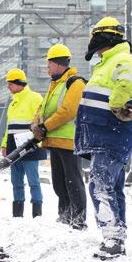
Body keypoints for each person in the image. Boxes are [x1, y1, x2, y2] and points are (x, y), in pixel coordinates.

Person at [76, 16, 132, 259]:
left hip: (111, 133)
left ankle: (112, 239)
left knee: (100, 185)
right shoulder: (107, 62)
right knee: (112, 187)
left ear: (105, 37)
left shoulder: (121, 59)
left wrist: (115, 105)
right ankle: (117, 237)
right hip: (105, 133)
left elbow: (126, 83)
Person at [32, 44, 88, 229]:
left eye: (49, 63)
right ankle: (65, 216)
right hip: (54, 140)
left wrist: (45, 126)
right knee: (59, 184)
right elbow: (44, 108)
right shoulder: (55, 85)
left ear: (57, 63)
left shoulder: (75, 83)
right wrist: (36, 123)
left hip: (69, 141)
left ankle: (78, 220)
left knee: (73, 182)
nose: (47, 67)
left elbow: (67, 111)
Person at [1, 68, 46, 218]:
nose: (8, 87)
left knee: (33, 180)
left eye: (10, 84)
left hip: (30, 146)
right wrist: (4, 144)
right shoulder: (13, 102)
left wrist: (38, 142)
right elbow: (10, 126)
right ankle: (18, 214)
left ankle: (37, 214)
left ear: (19, 84)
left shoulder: (35, 98)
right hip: (14, 147)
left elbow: (40, 121)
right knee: (16, 181)